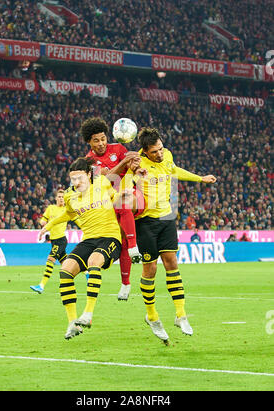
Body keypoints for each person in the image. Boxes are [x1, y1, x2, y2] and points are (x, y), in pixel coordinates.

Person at [123, 127, 217, 344]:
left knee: (172, 263)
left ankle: (180, 315)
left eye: (161, 148)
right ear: (145, 151)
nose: (160, 153)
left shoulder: (168, 156)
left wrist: (200, 179)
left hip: (166, 218)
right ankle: (152, 316)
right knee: (151, 268)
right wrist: (132, 182)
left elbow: (175, 170)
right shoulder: (137, 164)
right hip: (145, 222)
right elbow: (125, 188)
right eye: (155, 151)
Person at [38, 157, 132, 340]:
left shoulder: (103, 184)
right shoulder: (69, 195)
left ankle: (88, 314)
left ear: (89, 174)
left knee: (93, 261)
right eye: (73, 179)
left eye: (80, 177)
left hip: (110, 237)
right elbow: (68, 213)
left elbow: (116, 201)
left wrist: (124, 194)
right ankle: (72, 323)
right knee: (65, 270)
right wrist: (48, 226)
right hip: (88, 240)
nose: (76, 182)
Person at [81, 117, 142, 301]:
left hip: (132, 195)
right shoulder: (88, 162)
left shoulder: (119, 149)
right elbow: (107, 179)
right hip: (109, 204)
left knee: (123, 201)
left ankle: (134, 247)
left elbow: (132, 168)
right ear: (89, 142)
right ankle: (125, 283)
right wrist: (124, 163)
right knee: (120, 239)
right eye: (96, 140)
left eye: (103, 139)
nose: (101, 143)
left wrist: (135, 166)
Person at [30, 189, 68, 294]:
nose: (61, 199)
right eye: (59, 197)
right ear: (56, 198)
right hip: (54, 240)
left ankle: (41, 285)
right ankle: (87, 273)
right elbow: (44, 219)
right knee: (67, 264)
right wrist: (42, 222)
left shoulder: (66, 210)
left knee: (50, 259)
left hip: (61, 240)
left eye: (62, 197)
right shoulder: (51, 208)